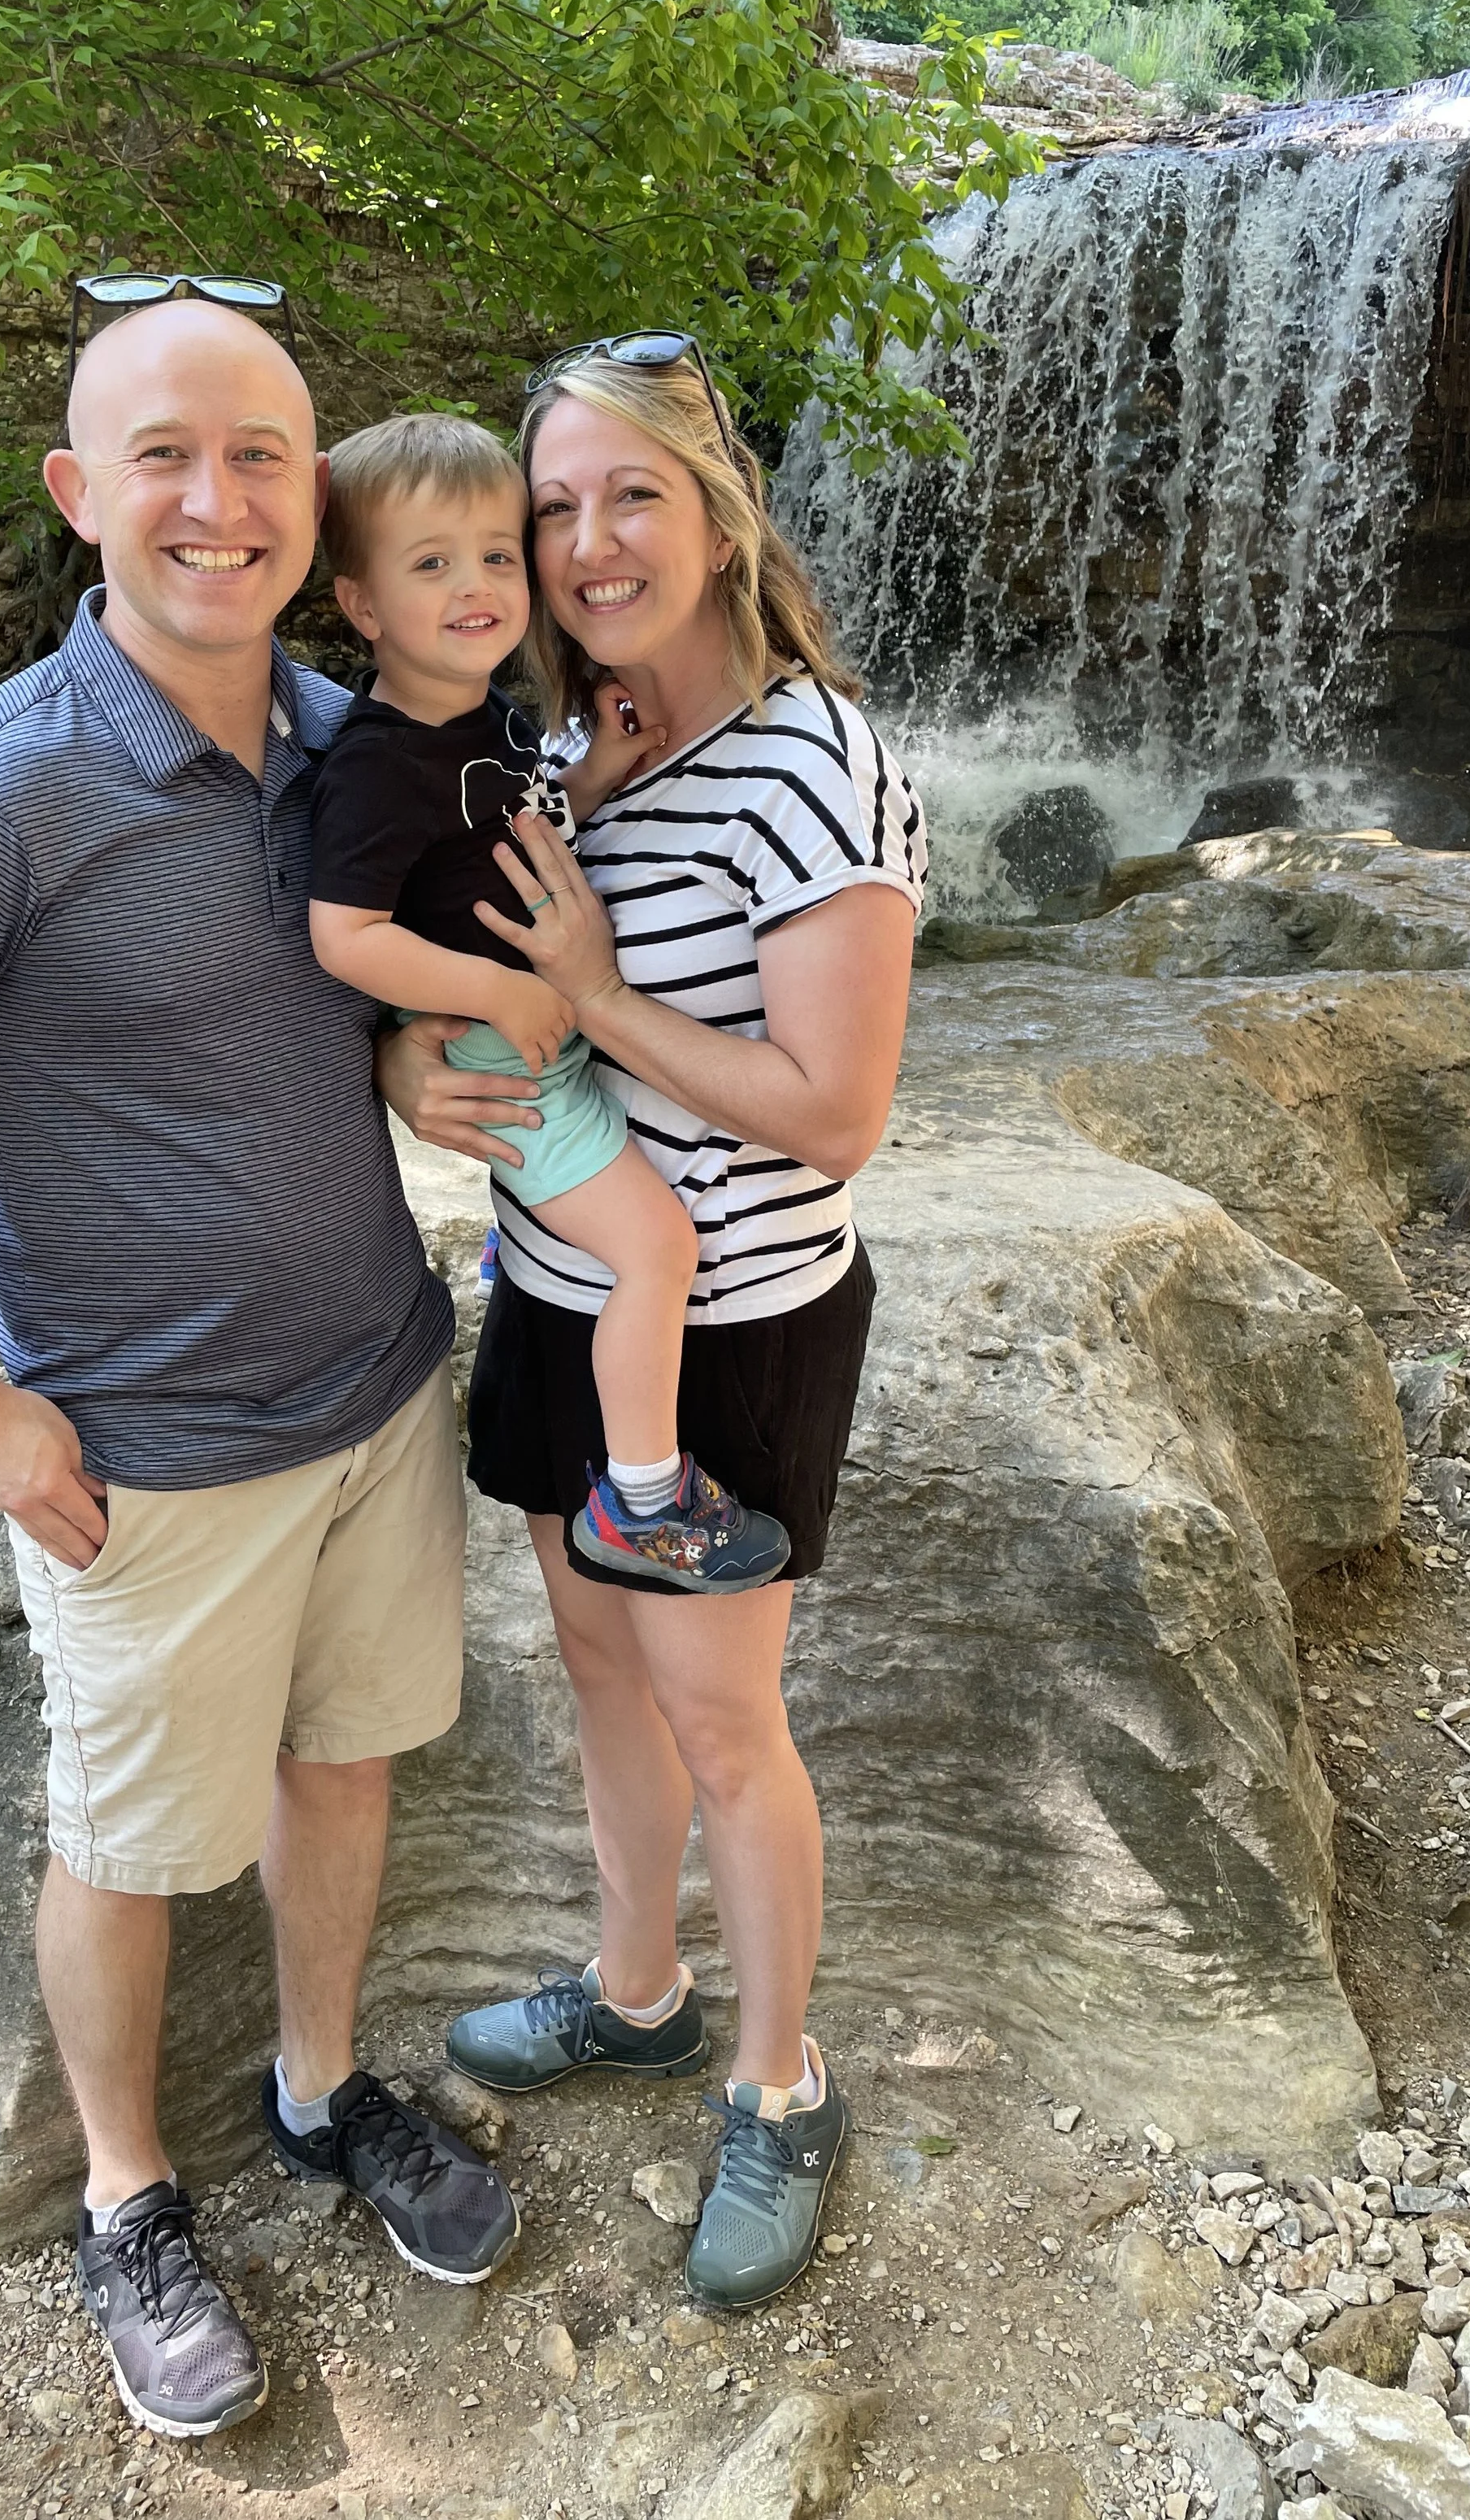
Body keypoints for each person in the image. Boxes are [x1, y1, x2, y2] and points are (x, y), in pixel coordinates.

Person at [0, 293, 517, 2445]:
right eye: (164, 453)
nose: (216, 497)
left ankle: (325, 2089)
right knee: (131, 1844)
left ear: (315, 504)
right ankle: (130, 2197)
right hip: (148, 1453)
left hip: (374, 1387)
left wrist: (424, 1062)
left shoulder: (350, 740)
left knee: (342, 1764)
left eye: (261, 455)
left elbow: (346, 1001)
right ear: (82, 495)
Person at [382, 338, 925, 2310]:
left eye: (631, 496)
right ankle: (637, 1993)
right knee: (599, 1667)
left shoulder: (818, 767)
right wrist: (407, 1082)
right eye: (554, 505)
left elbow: (829, 1110)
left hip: (729, 1325)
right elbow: (454, 980)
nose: (589, 540)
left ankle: (780, 2086)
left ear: (716, 517)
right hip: (554, 1294)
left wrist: (599, 996)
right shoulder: (559, 749)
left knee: (718, 1716)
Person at [307, 411, 792, 1592]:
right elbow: (342, 933)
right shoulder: (376, 760)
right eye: (431, 565)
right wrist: (490, 992)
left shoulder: (488, 716)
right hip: (504, 1054)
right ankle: (643, 1498)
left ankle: (638, 1487)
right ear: (363, 605)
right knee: (657, 1249)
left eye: (495, 557)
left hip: (533, 1033)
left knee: (648, 1245)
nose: (475, 586)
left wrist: (595, 777)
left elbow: (514, 827)